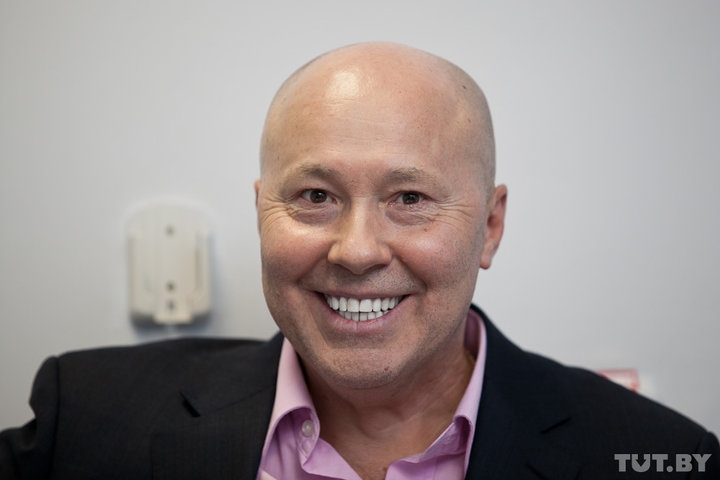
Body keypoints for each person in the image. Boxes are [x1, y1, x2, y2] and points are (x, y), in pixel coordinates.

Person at [1, 42, 717, 480]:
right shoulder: (84, 418)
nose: (358, 251)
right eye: (315, 196)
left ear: (490, 228)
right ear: (261, 211)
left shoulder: (659, 457)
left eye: (410, 198)